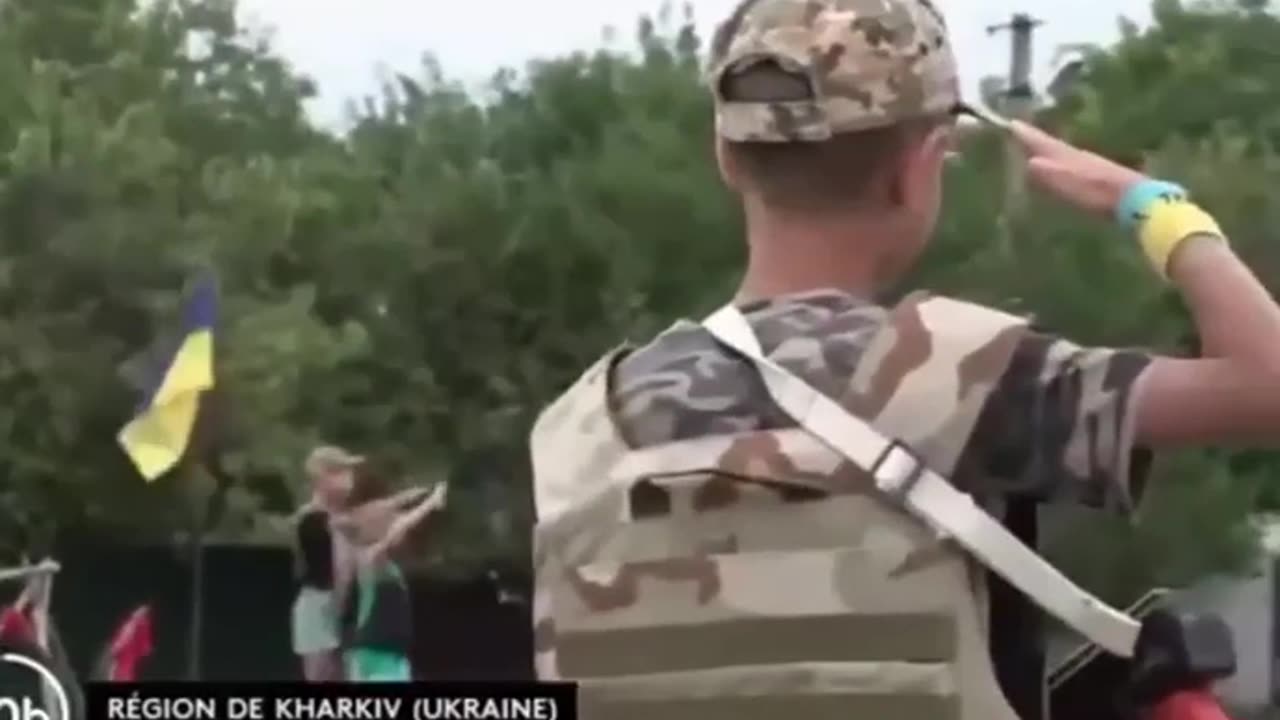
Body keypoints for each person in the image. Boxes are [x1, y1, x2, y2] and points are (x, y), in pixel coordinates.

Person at [527, 0, 1280, 718]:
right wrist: (1155, 205)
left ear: (726, 157)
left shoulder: (579, 426)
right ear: (919, 168)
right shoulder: (955, 374)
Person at [334, 480, 447, 683]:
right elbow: (398, 527)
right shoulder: (368, 557)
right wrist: (430, 503)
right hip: (375, 653)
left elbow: (388, 514)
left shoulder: (383, 562)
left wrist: (412, 495)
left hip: (387, 652)